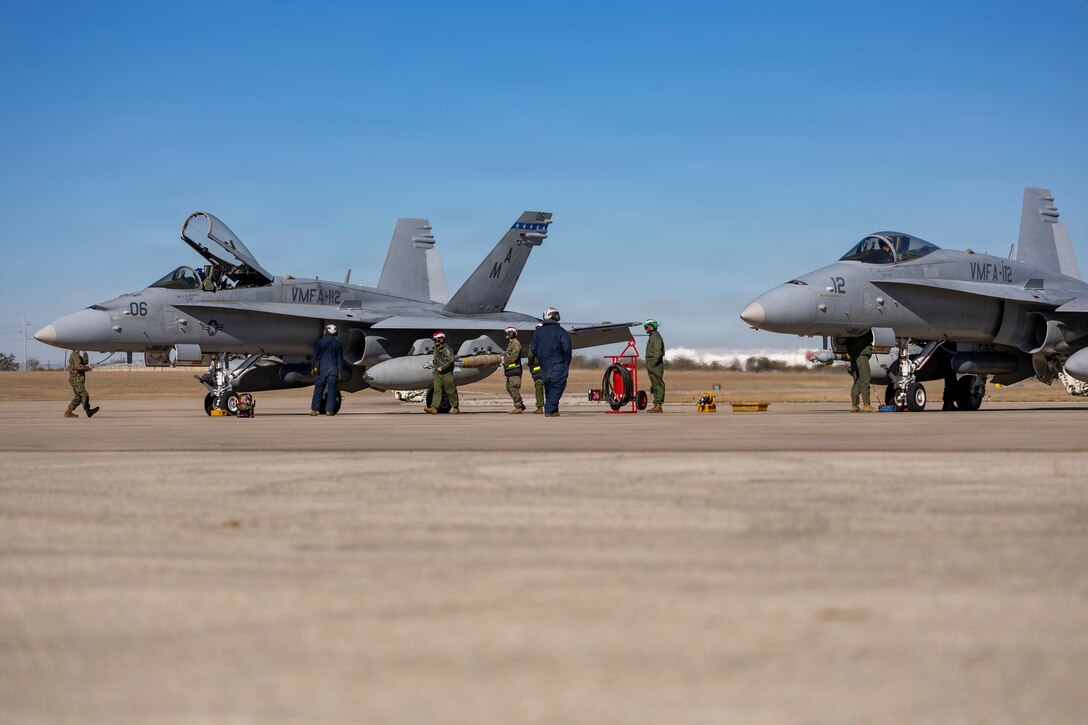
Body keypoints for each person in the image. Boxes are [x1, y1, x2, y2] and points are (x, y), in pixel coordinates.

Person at [529, 307, 572, 417]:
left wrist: (540, 358)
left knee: (549, 386)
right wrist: (566, 362)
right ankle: (549, 409)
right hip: (558, 363)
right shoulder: (561, 331)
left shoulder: (537, 333)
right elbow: (567, 348)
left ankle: (554, 410)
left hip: (543, 364)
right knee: (557, 385)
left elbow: (533, 349)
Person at [310, 324, 344, 416]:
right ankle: (329, 411)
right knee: (332, 390)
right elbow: (340, 360)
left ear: (326, 331)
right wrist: (339, 372)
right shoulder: (338, 344)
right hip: (333, 371)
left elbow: (314, 357)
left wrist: (313, 368)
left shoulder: (319, 342)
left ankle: (314, 410)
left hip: (320, 370)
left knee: (318, 389)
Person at [426, 331, 459, 415]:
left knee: (450, 390)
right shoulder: (436, 349)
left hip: (446, 373)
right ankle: (434, 408)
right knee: (437, 390)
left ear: (441, 339)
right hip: (437, 373)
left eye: (436, 339)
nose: (435, 341)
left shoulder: (447, 349)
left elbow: (451, 360)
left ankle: (455, 407)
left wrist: (442, 367)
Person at [844, 332, 874, 412]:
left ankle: (855, 405)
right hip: (862, 355)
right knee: (865, 379)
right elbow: (871, 337)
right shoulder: (863, 331)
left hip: (853, 356)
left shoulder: (850, 332)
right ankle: (866, 404)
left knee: (857, 381)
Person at [64, 349, 99, 418]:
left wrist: (85, 353)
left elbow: (84, 362)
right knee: (84, 394)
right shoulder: (75, 355)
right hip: (76, 379)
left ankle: (68, 412)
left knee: (78, 397)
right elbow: (78, 367)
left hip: (76, 379)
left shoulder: (77, 355)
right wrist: (88, 368)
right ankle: (88, 411)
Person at [501, 326, 525, 414]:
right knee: (509, 387)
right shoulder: (511, 343)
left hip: (515, 370)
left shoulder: (515, 343)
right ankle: (520, 404)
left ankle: (518, 406)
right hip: (510, 370)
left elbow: (514, 356)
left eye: (508, 333)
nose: (506, 335)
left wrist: (505, 361)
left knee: (513, 387)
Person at [643, 319, 665, 413]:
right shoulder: (652, 336)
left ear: (652, 326)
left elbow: (658, 352)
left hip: (655, 365)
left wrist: (653, 364)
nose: (645, 329)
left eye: (646, 327)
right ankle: (656, 405)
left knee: (658, 384)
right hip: (652, 364)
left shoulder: (656, 337)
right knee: (655, 384)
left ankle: (659, 405)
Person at [527, 341, 545, 414]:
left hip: (538, 366)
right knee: (550, 386)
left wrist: (530, 364)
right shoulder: (550, 341)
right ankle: (552, 407)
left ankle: (540, 407)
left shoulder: (534, 342)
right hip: (550, 365)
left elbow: (530, 355)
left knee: (539, 385)